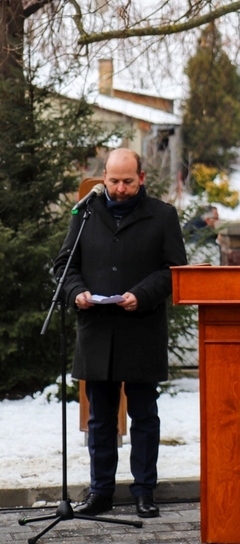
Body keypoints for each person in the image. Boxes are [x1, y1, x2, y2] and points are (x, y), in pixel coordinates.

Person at [54, 149, 187, 518]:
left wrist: (142, 294)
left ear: (141, 178)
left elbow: (175, 270)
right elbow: (64, 265)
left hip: (141, 328)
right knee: (100, 418)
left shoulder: (162, 215)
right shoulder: (85, 213)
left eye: (128, 181)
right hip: (97, 329)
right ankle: (101, 492)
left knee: (144, 415)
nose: (121, 188)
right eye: (113, 181)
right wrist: (76, 292)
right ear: (104, 177)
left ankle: (144, 491)